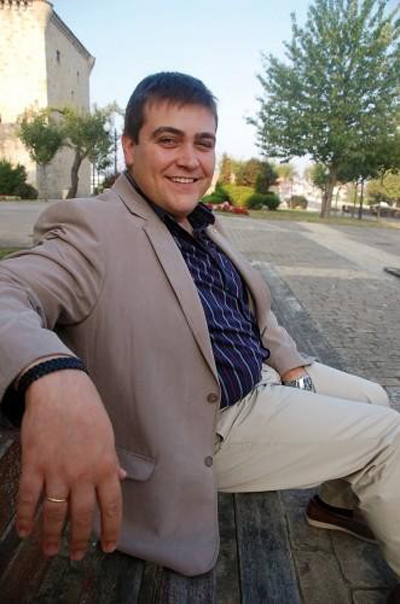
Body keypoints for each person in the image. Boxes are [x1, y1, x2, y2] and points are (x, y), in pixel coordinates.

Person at [0, 72, 399, 602]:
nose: (190, 159)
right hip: (208, 423)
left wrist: (290, 363)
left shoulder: (200, 221)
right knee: (392, 437)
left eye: (203, 143)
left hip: (258, 375)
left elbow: (251, 307)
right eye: (169, 140)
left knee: (374, 397)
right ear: (129, 148)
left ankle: (333, 506)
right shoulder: (92, 227)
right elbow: (8, 291)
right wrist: (51, 376)